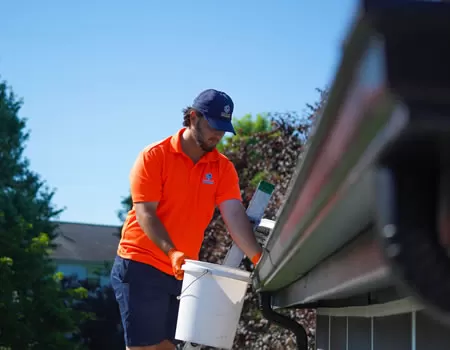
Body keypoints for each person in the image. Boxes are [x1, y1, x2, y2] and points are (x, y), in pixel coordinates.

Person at [110, 88, 263, 350]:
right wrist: (171, 251)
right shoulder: (154, 156)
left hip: (181, 270)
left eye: (224, 128)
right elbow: (146, 213)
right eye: (213, 125)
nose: (218, 134)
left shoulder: (222, 168)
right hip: (141, 263)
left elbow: (235, 215)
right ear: (193, 117)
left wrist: (259, 259)